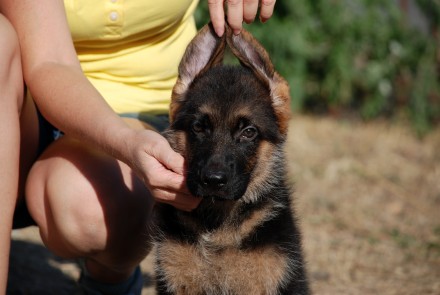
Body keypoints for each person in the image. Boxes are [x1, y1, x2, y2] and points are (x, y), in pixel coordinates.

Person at [0, 0, 276, 294]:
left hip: (137, 110)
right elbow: (49, 61)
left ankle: (108, 280)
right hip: (24, 104)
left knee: (93, 208)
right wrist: (124, 143)